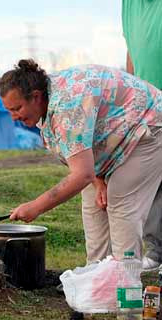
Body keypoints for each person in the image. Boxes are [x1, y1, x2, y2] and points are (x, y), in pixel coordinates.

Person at [0, 59, 162, 263]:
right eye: (9, 110)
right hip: (116, 138)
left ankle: (124, 283)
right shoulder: (47, 102)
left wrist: (36, 206)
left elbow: (82, 174)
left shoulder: (68, 106)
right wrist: (98, 179)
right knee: (94, 204)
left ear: (36, 97)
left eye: (17, 108)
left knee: (120, 202)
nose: (13, 117)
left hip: (150, 124)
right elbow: (86, 166)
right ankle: (96, 276)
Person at [122, 0, 162, 271]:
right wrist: (132, 95)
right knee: (152, 183)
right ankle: (158, 251)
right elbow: (133, 51)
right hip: (148, 106)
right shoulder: (129, 4)